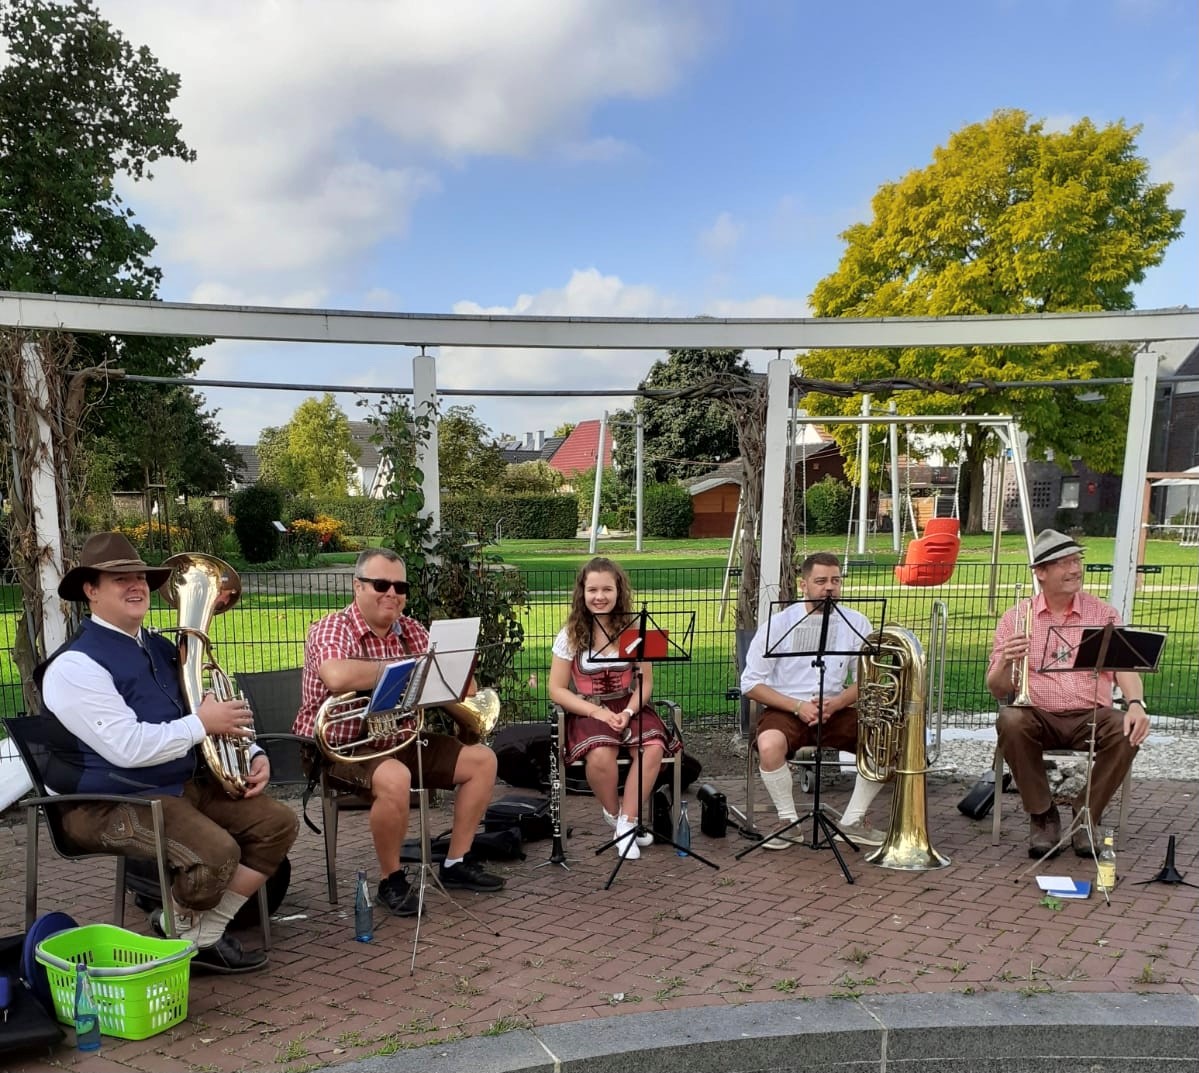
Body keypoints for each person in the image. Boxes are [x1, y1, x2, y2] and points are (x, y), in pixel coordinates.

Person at [38, 533, 298, 973]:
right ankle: (188, 938)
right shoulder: (74, 666)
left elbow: (209, 707)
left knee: (277, 824)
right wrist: (202, 725)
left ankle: (191, 932)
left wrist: (251, 751)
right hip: (105, 802)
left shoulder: (161, 647)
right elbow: (127, 748)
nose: (136, 584)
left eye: (140, 575)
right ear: (91, 590)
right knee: (216, 852)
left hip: (176, 787)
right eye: (120, 578)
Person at [294, 548, 504, 917]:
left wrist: (451, 670)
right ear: (357, 587)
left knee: (482, 761)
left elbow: (464, 688)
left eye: (400, 586)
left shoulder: (412, 629)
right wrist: (407, 668)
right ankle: (391, 879)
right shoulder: (332, 627)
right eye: (381, 584)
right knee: (396, 777)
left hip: (399, 737)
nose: (392, 593)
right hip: (342, 745)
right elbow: (338, 676)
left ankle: (455, 862)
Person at [987, 529, 1149, 858]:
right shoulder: (1016, 618)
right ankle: (1043, 817)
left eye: (1077, 560)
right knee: (1010, 720)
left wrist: (1135, 704)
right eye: (1064, 563)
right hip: (1038, 714)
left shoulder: (1102, 613)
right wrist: (1006, 660)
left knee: (1128, 727)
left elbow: (1124, 667)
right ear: (1041, 573)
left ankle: (1086, 816)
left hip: (1091, 714)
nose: (1075, 569)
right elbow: (997, 687)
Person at [740, 551, 886, 849]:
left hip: (835, 707)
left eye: (835, 580)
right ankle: (788, 822)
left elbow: (869, 679)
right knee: (769, 745)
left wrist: (839, 701)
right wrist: (797, 706)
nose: (829, 588)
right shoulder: (779, 624)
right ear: (803, 584)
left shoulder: (857, 621)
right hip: (787, 707)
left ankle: (853, 821)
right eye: (820, 581)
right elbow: (750, 683)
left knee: (885, 739)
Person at [548, 557, 682, 860]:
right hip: (587, 706)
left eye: (607, 589)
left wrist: (629, 712)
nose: (599, 597)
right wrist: (597, 712)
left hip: (628, 703)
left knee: (652, 747)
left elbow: (645, 683)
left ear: (619, 591)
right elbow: (556, 688)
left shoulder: (634, 629)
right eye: (592, 589)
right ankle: (614, 814)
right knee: (600, 754)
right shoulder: (570, 634)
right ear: (581, 593)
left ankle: (628, 822)